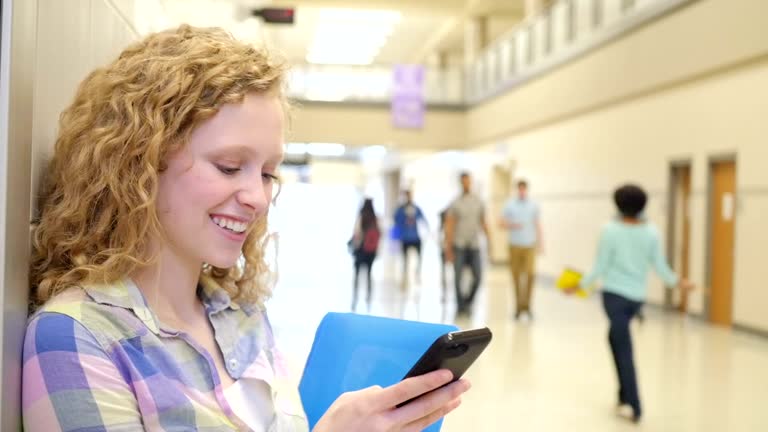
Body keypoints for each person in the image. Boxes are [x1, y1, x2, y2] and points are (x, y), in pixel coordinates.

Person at [22, 25, 470, 432]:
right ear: (137, 162)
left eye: (267, 173)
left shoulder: (241, 315)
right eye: (230, 166)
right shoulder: (77, 337)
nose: (257, 197)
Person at [564, 184, 694, 424]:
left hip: (614, 297)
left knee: (623, 348)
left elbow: (599, 267)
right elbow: (661, 267)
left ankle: (635, 405)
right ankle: (623, 396)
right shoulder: (652, 232)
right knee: (614, 339)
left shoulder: (610, 230)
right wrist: (679, 282)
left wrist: (579, 285)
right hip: (636, 299)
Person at [444, 172, 491, 316]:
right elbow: (450, 225)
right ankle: (460, 306)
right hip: (459, 245)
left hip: (474, 245)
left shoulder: (478, 201)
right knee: (457, 278)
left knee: (478, 276)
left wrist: (490, 241)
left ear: (471, 182)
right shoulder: (455, 202)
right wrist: (448, 247)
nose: (466, 184)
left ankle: (468, 302)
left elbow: (483, 222)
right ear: (460, 183)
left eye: (468, 181)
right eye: (463, 181)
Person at [500, 180, 543, 320]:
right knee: (516, 276)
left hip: (529, 245)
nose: (522, 192)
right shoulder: (510, 205)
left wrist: (541, 243)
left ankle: (527, 306)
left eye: (524, 189)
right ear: (517, 190)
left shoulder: (533, 205)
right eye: (520, 189)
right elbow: (501, 223)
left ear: (527, 190)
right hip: (515, 245)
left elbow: (537, 224)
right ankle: (518, 308)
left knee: (530, 275)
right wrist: (512, 225)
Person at [393, 190, 428, 287]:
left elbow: (423, 220)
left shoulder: (416, 208)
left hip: (415, 237)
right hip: (405, 238)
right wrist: (396, 236)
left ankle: (417, 274)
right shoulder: (400, 209)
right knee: (405, 259)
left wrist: (427, 231)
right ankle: (405, 276)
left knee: (419, 257)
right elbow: (396, 221)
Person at [351, 198, 380, 310]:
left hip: (360, 250)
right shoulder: (375, 218)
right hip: (371, 252)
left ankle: (355, 294)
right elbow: (379, 234)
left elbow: (356, 233)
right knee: (368, 274)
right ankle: (368, 296)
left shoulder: (361, 217)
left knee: (357, 274)